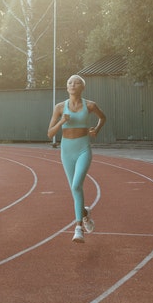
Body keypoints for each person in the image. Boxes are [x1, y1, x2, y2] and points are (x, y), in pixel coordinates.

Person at [47, 74, 106, 243]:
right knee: (75, 190)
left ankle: (78, 228)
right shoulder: (59, 107)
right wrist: (61, 122)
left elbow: (103, 117)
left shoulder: (90, 105)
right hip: (66, 151)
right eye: (70, 82)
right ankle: (85, 213)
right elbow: (50, 133)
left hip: (83, 149)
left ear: (83, 87)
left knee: (76, 185)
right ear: (66, 87)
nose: (73, 84)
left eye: (77, 82)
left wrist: (97, 129)